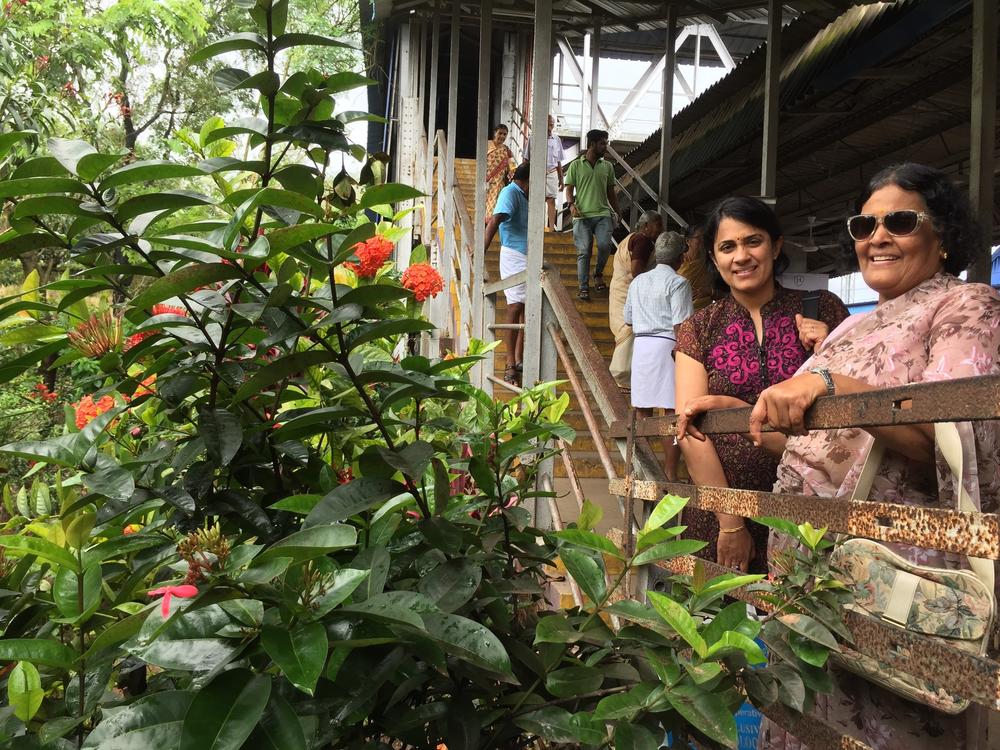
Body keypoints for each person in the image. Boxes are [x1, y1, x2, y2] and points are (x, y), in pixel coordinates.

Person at [700, 164, 999, 750]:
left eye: (901, 221)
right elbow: (814, 443)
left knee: (885, 724)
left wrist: (836, 390)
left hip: (893, 574)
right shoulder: (850, 330)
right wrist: (732, 408)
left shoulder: (968, 306)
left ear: (942, 234)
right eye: (866, 223)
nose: (877, 236)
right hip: (812, 577)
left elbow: (965, 440)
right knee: (806, 719)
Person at [673, 196, 849, 573]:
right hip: (720, 510)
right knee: (719, 622)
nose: (741, 256)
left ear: (776, 245)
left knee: (802, 619)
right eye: (727, 247)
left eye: (753, 241)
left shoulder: (824, 310)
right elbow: (689, 429)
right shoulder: (698, 329)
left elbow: (851, 418)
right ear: (714, 257)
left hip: (809, 505)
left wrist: (828, 347)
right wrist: (731, 522)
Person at [624, 231, 693, 481]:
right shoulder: (678, 283)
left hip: (641, 347)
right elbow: (681, 325)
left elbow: (628, 320)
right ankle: (670, 473)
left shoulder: (638, 282)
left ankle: (644, 472)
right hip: (667, 346)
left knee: (643, 411)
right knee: (671, 411)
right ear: (680, 257)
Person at [484, 162, 530, 385]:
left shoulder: (523, 195)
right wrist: (481, 249)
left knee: (526, 308)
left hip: (527, 254)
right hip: (514, 253)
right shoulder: (510, 191)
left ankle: (519, 358)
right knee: (515, 306)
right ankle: (510, 362)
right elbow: (496, 219)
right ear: (529, 180)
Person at [608, 210, 662, 390]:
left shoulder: (630, 238)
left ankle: (625, 376)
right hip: (629, 292)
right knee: (628, 330)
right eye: (658, 224)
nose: (661, 229)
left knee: (626, 330)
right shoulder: (643, 241)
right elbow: (637, 269)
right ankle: (621, 375)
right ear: (646, 226)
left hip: (619, 289)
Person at [564, 129, 620, 301]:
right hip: (582, 216)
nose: (606, 146)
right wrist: (571, 205)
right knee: (584, 250)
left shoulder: (608, 167)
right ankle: (583, 287)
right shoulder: (575, 165)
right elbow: (569, 189)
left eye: (606, 142)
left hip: (603, 213)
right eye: (603, 143)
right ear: (592, 144)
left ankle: (598, 274)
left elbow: (611, 192)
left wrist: (617, 212)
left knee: (605, 246)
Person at [524, 114, 564, 231]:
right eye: (548, 124)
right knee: (537, 200)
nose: (550, 126)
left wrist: (561, 179)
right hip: (537, 173)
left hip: (552, 173)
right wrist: (524, 176)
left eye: (552, 124)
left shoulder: (556, 139)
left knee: (551, 200)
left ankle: (551, 229)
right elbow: (526, 159)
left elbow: (559, 161)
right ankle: (536, 227)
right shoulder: (533, 137)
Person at [676, 222, 715, 310]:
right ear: (688, 241)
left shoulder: (710, 261)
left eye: (704, 237)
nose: (703, 241)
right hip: (684, 310)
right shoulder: (678, 261)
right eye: (698, 238)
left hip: (706, 310)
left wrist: (709, 291)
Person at [485, 124, 516, 219]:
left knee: (496, 206)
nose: (502, 136)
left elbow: (512, 166)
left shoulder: (506, 150)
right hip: (486, 182)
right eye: (500, 133)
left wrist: (512, 172)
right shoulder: (486, 145)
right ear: (495, 133)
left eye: (505, 134)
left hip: (499, 183)